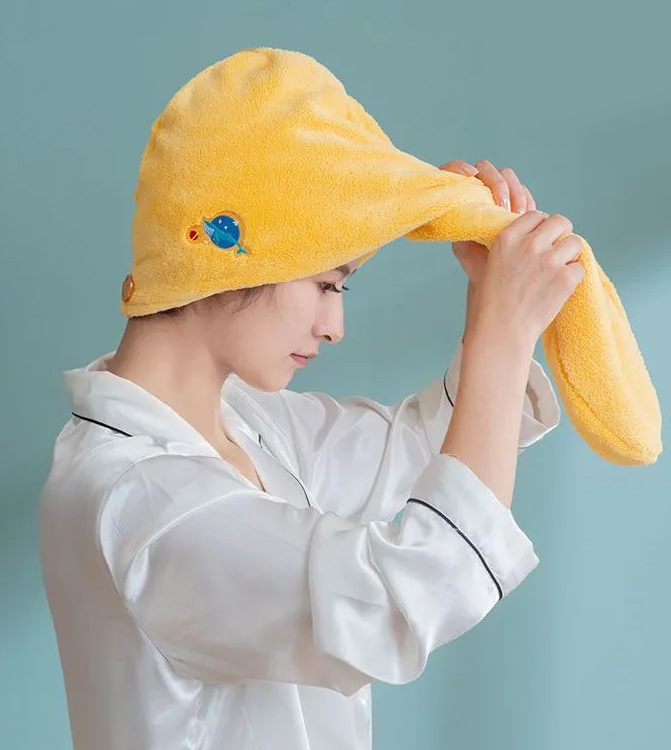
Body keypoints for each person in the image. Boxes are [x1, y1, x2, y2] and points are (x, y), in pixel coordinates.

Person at [39, 117, 583, 750]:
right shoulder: (149, 505)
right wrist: (503, 335)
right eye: (327, 284)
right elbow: (409, 594)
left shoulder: (243, 420)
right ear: (228, 253)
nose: (335, 325)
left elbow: (419, 446)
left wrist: (495, 296)